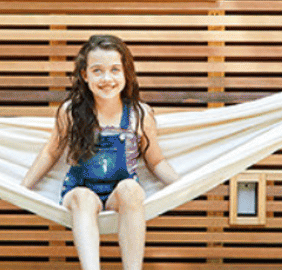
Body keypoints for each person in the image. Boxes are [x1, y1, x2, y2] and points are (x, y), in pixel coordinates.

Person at [21, 34, 180, 270]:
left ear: (126, 73)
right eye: (97, 71)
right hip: (80, 189)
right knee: (83, 198)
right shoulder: (71, 112)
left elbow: (155, 160)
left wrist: (183, 185)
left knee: (132, 189)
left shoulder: (140, 114)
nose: (107, 78)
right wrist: (23, 189)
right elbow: (50, 153)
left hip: (120, 192)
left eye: (115, 70)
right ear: (85, 75)